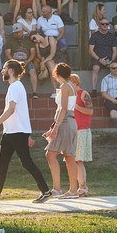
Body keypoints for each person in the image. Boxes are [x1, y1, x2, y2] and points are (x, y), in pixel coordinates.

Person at [0, 61, 53, 203]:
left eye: (4, 68)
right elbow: (21, 111)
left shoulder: (15, 87)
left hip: (16, 132)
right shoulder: (16, 86)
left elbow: (11, 109)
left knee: (26, 162)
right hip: (11, 131)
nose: (2, 71)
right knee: (2, 162)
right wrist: (27, 133)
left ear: (11, 71)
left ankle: (45, 191)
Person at [44, 63, 82, 198]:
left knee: (51, 154)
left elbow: (63, 109)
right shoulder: (70, 85)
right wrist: (54, 126)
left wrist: (56, 127)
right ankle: (72, 190)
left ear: (56, 74)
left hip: (65, 122)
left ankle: (58, 188)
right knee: (69, 156)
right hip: (70, 122)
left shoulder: (65, 86)